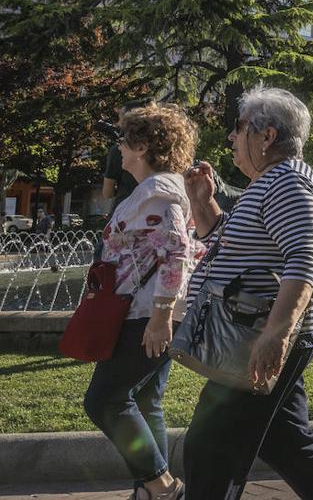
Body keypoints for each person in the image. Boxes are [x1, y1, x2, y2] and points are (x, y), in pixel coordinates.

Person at [182, 86, 313, 500]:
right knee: (286, 441)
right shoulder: (268, 182)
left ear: (266, 135)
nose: (231, 138)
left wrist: (277, 334)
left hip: (256, 333)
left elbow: (304, 258)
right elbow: (236, 246)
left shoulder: (288, 182)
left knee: (210, 447)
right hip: (255, 330)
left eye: (238, 129)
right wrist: (204, 206)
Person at [83, 103, 201, 500]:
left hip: (144, 315)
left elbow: (178, 252)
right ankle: (149, 491)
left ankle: (163, 487)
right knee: (147, 399)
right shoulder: (153, 191)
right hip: (144, 311)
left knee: (105, 400)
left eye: (124, 138)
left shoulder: (159, 193)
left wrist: (161, 317)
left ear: (144, 145)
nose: (119, 146)